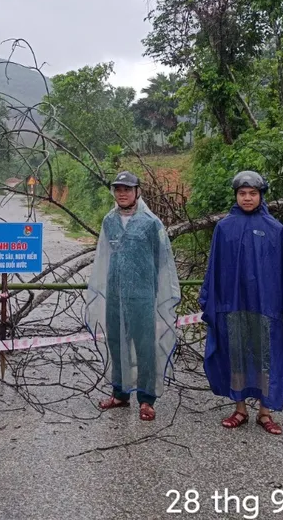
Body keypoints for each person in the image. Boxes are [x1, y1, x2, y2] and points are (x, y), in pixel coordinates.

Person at [198, 170, 283, 435]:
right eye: (242, 193)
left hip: (266, 306)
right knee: (237, 354)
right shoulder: (224, 228)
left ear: (261, 196)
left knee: (264, 356)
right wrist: (208, 300)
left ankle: (265, 412)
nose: (247, 198)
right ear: (236, 196)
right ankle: (240, 409)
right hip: (233, 304)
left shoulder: (275, 230)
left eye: (252, 193)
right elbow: (214, 267)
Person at [84, 171, 180, 421]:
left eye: (127, 189)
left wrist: (153, 291)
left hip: (142, 295)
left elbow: (162, 260)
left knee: (145, 346)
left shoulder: (151, 223)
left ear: (137, 191)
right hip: (116, 295)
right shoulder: (109, 221)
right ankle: (120, 393)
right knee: (116, 341)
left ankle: (147, 399)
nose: (122, 193)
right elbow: (104, 256)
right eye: (118, 189)